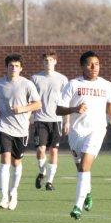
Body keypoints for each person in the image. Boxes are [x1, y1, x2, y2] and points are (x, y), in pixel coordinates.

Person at [56, 51, 111, 220]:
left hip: (97, 130)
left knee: (85, 166)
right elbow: (58, 109)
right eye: (90, 64)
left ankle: (77, 206)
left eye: (97, 64)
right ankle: (88, 192)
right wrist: (74, 109)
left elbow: (110, 102)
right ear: (83, 66)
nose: (94, 67)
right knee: (80, 168)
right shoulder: (73, 85)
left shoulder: (106, 85)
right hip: (77, 132)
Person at [0, 54, 42, 210]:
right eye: (10, 65)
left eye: (16, 66)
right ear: (6, 67)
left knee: (16, 162)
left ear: (21, 68)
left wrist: (22, 109)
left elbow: (38, 104)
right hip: (3, 126)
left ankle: (14, 192)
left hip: (21, 129)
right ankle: (3, 196)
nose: (13, 68)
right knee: (5, 157)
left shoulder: (27, 84)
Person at [30, 51, 70, 191]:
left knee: (54, 151)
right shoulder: (35, 78)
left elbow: (66, 102)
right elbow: (31, 100)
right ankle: (42, 172)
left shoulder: (62, 79)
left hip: (56, 120)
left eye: (51, 60)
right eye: (45, 60)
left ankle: (49, 182)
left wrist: (67, 121)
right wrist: (28, 117)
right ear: (42, 62)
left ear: (55, 62)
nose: (48, 63)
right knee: (40, 150)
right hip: (40, 119)